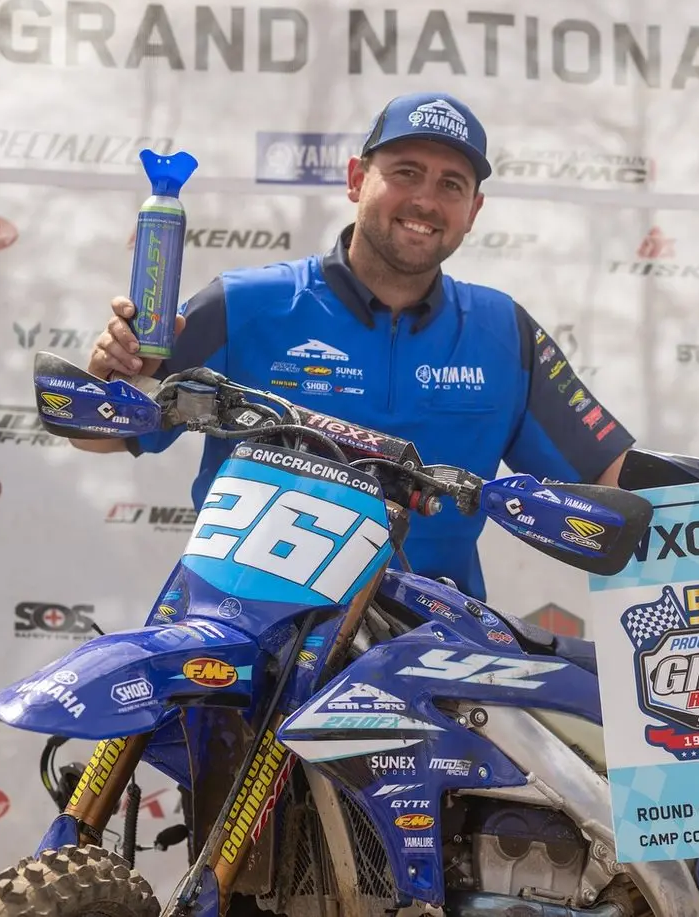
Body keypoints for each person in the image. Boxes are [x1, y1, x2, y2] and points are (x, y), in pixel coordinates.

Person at [76, 91, 634, 603]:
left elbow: (611, 477)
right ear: (355, 179)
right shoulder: (243, 305)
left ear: (473, 211)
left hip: (425, 657)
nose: (425, 199)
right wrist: (112, 374)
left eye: (451, 185)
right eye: (406, 173)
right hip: (245, 647)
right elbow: (99, 433)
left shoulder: (502, 331)